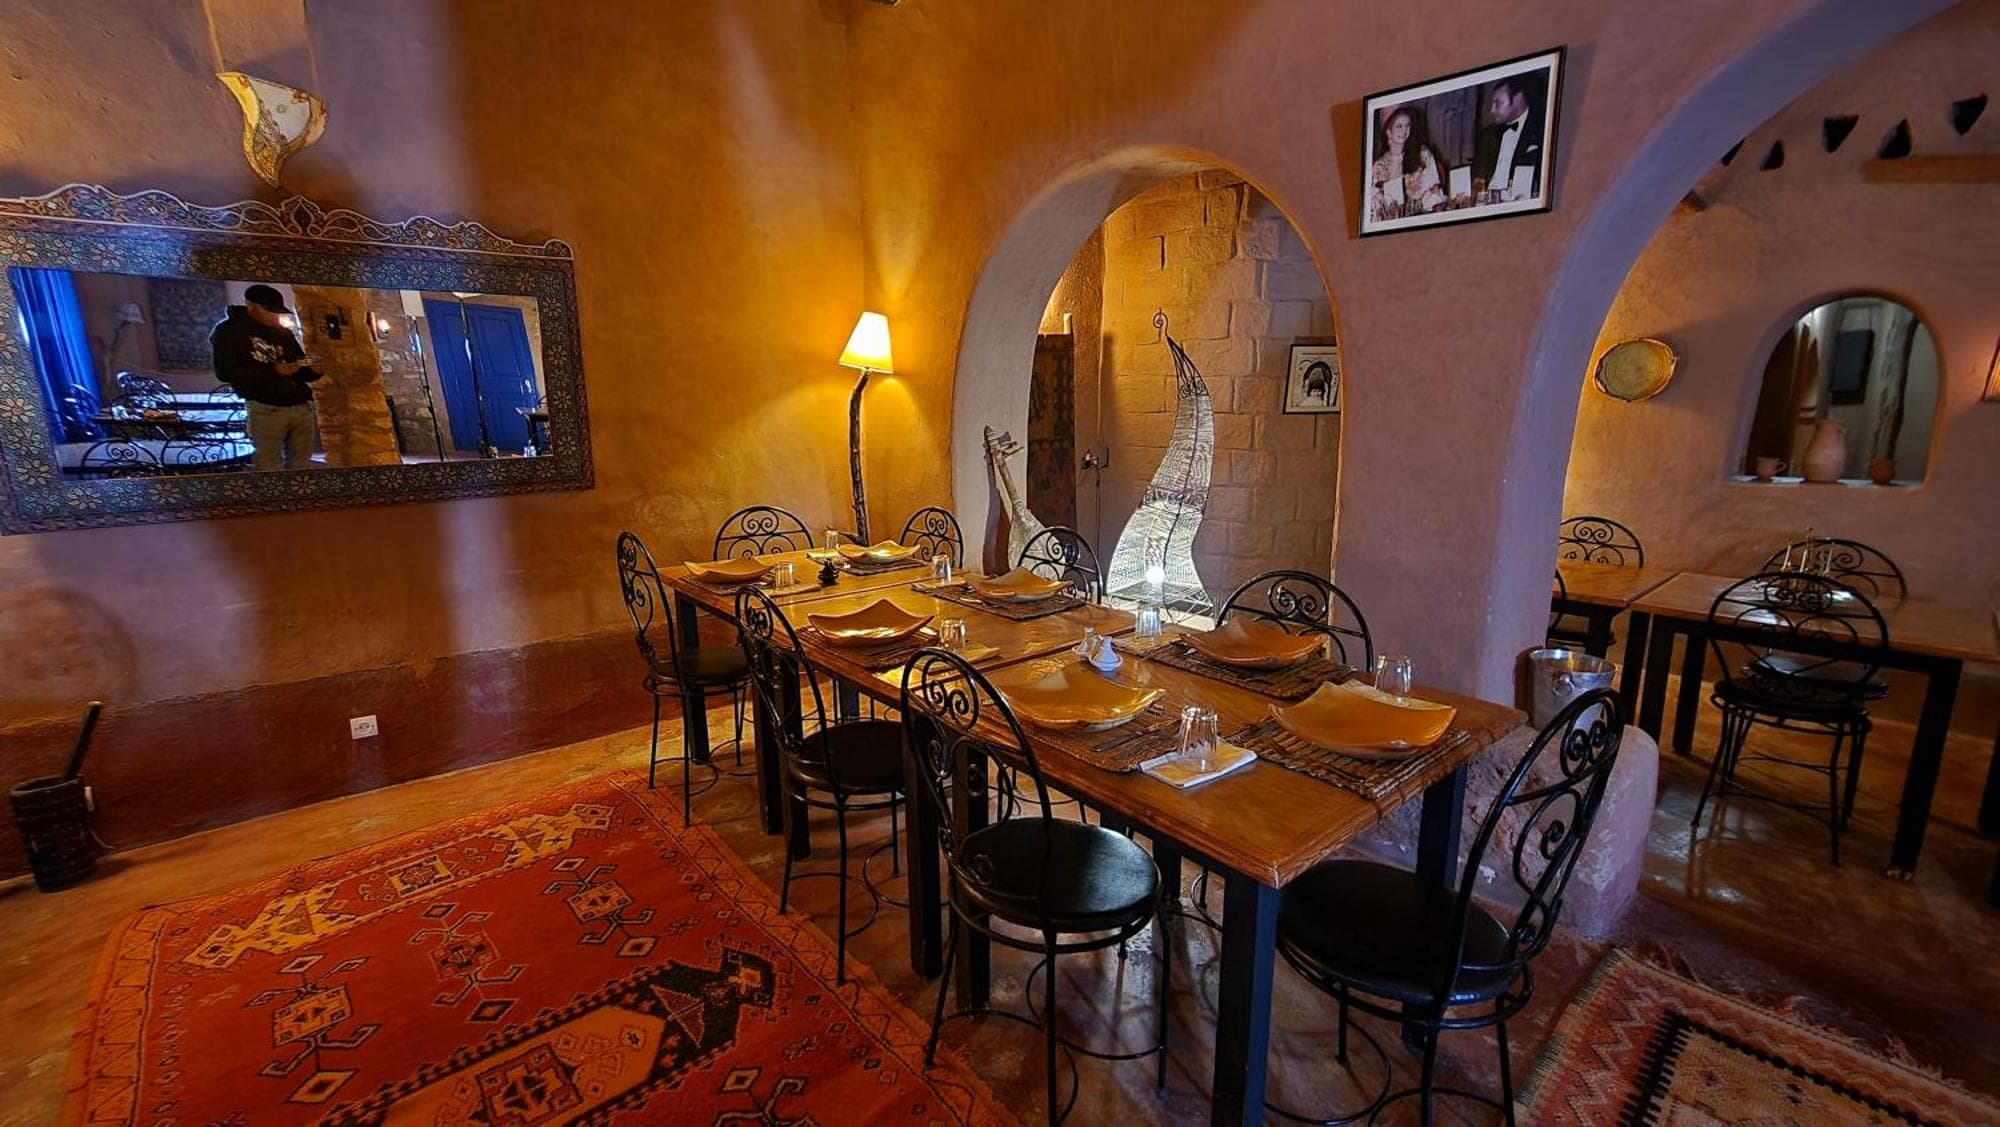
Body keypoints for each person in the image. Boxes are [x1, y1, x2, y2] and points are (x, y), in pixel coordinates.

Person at [210, 284, 322, 471]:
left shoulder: (283, 332)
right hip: (265, 408)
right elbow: (225, 372)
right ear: (251, 305)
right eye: (269, 311)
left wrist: (314, 370)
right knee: (268, 467)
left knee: (302, 466)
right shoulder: (229, 331)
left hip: (301, 405)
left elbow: (299, 367)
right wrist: (274, 371)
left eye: (277, 312)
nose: (274, 316)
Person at [1473, 73, 1546, 203]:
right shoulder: (1487, 136)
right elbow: (1477, 179)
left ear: (1518, 99)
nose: (1491, 110)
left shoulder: (1541, 130)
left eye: (1498, 103)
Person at [1369, 105, 1445, 223]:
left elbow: (1434, 192)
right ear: (1388, 131)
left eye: (1407, 125)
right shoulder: (1378, 167)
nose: (1404, 131)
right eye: (1399, 126)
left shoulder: (1423, 155)